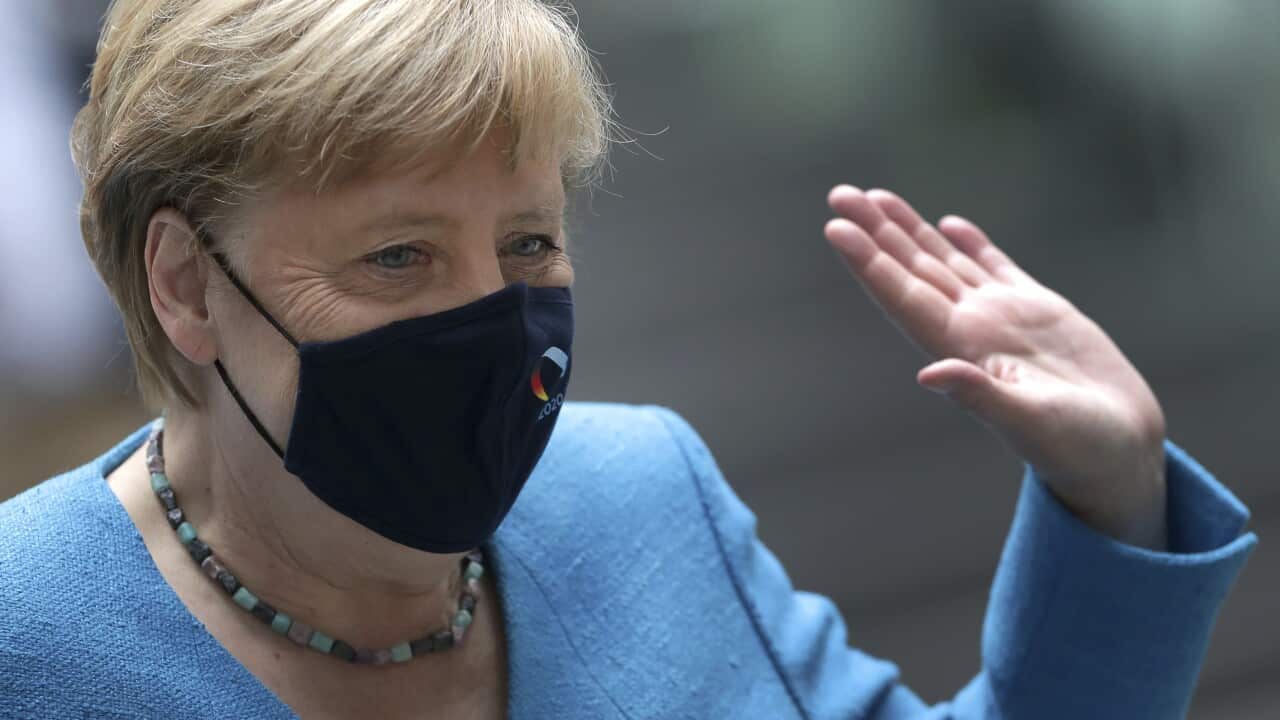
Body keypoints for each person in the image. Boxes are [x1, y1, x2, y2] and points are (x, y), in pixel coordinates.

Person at [0, 1, 1259, 718]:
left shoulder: (643, 496)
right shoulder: (30, 635)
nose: (488, 317)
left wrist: (1107, 490)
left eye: (528, 243)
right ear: (186, 284)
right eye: (396, 256)